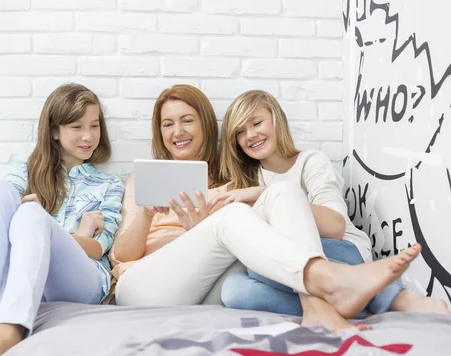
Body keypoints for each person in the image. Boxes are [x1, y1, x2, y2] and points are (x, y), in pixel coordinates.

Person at [110, 85, 422, 332]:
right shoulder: (143, 178)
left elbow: (251, 253)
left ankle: (316, 305)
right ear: (160, 133)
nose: (177, 131)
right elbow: (123, 255)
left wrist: (199, 227)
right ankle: (332, 280)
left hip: (207, 289)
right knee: (236, 216)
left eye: (187, 120)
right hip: (146, 286)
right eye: (168, 124)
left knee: (280, 194)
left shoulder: (232, 182)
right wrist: (146, 214)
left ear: (205, 125)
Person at [214, 89, 449, 323]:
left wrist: (265, 195)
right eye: (240, 132)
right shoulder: (245, 182)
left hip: (342, 250)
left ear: (278, 119)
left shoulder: (310, 162)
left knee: (263, 265)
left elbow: (336, 226)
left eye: (256, 123)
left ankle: (394, 298)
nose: (251, 135)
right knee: (234, 290)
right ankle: (348, 305)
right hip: (297, 268)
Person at [0, 83, 125, 356]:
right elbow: (1, 228)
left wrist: (46, 224)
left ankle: (9, 332)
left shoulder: (109, 185)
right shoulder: (23, 174)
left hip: (84, 283)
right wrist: (77, 231)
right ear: (54, 131)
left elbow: (99, 247)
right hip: (34, 279)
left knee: (32, 214)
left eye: (94, 125)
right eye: (77, 126)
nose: (88, 136)